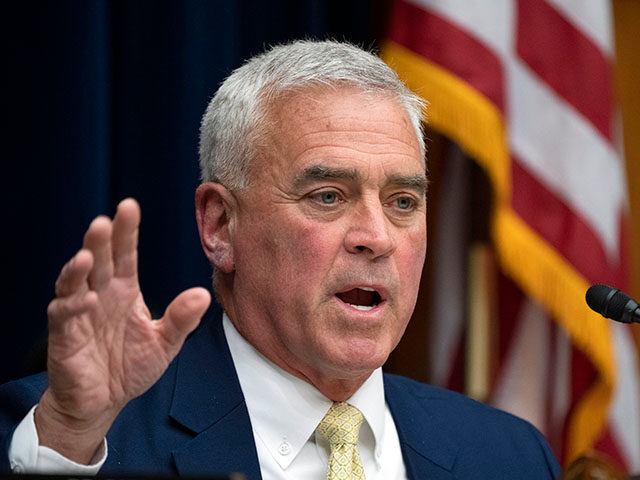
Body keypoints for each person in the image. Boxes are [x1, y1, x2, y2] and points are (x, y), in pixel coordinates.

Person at [0, 40, 561, 479]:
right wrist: (68, 438)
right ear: (220, 225)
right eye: (328, 196)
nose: (377, 237)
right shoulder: (70, 437)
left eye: (403, 202)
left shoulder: (509, 455)